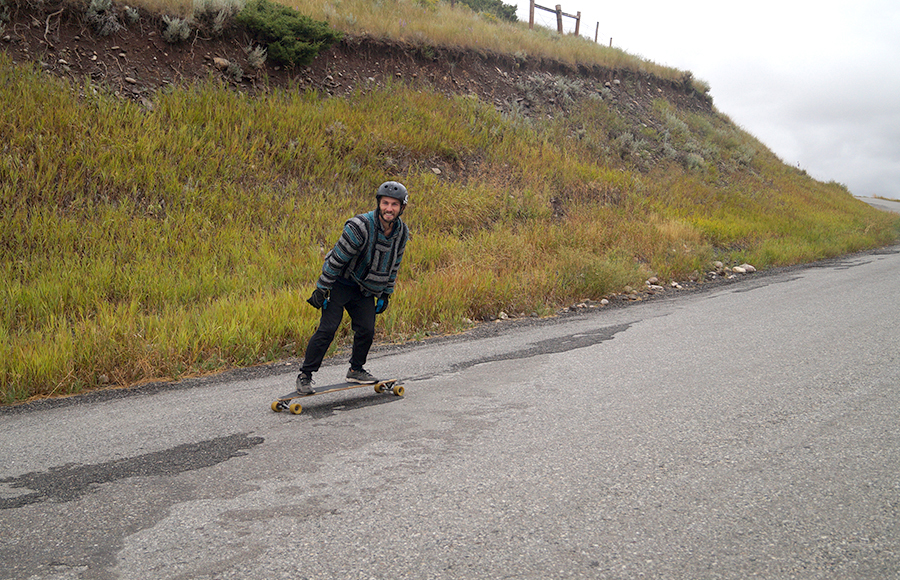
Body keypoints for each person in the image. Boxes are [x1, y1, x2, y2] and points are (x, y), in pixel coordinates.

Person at [296, 181, 410, 393]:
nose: (389, 208)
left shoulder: (401, 233)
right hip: (339, 283)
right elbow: (335, 260)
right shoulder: (359, 227)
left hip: (363, 289)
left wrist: (386, 292)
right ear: (379, 203)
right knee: (328, 329)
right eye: (385, 203)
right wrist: (322, 288)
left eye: (394, 205)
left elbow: (394, 264)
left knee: (367, 329)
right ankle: (305, 375)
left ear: (401, 208)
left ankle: (356, 370)